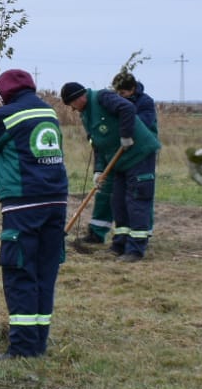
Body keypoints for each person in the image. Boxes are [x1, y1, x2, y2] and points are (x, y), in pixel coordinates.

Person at [0, 69, 69, 358]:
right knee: (45, 273)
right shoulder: (49, 113)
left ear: (4, 92)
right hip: (56, 203)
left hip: (24, 206)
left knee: (19, 273)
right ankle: (38, 344)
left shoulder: (8, 115)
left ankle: (20, 349)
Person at [60, 81, 161, 261]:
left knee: (136, 201)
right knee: (118, 202)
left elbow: (127, 108)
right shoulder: (86, 115)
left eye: (72, 105)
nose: (74, 110)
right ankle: (119, 244)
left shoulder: (102, 97)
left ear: (79, 97)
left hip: (139, 155)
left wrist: (126, 135)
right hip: (119, 162)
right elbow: (98, 145)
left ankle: (135, 250)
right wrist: (98, 171)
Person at [113, 71, 160, 242]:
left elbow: (142, 125)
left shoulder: (145, 102)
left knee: (139, 197)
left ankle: (140, 237)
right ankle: (121, 239)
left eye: (123, 93)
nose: (120, 96)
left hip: (142, 154)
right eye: (117, 93)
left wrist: (124, 124)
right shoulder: (116, 100)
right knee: (120, 199)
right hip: (124, 155)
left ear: (132, 89)